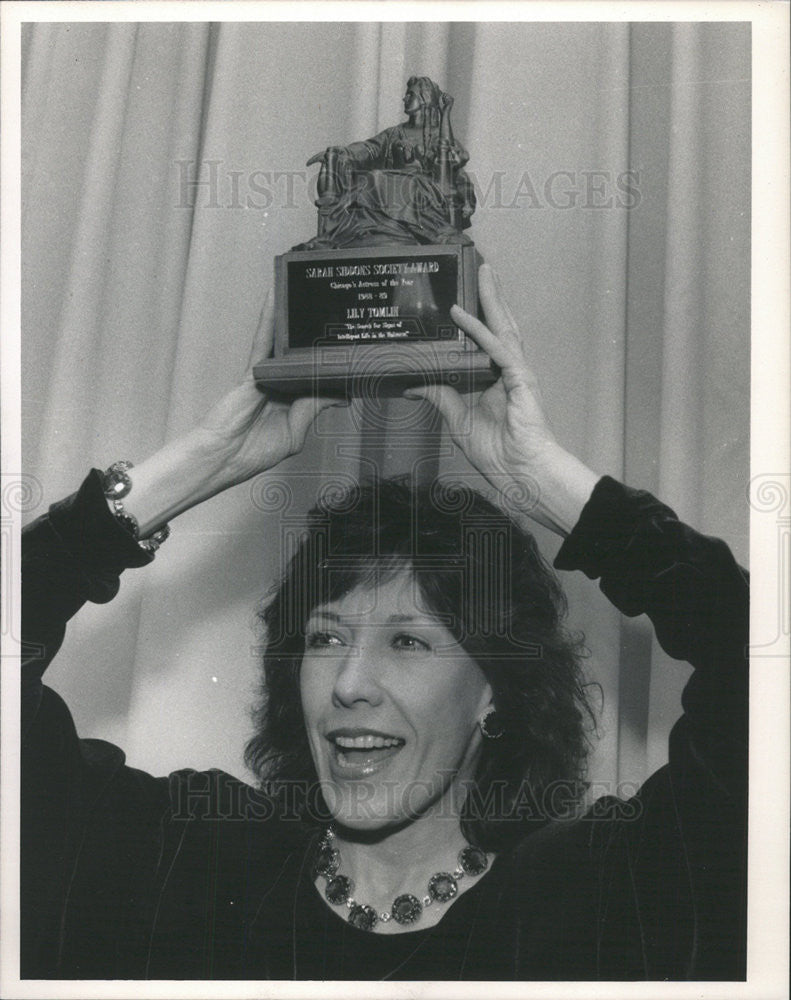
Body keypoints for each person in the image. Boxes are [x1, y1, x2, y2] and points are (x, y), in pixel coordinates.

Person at [21, 265, 747, 980]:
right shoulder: (178, 858)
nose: (349, 684)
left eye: (407, 641)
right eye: (326, 638)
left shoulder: (615, 897)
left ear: (497, 685)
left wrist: (540, 474)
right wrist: (206, 461)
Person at [297, 75, 476, 249]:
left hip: (426, 188)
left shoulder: (439, 133)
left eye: (410, 94)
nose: (404, 98)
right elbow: (369, 148)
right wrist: (342, 153)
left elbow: (454, 157)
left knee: (376, 179)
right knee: (367, 181)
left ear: (424, 99)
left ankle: (419, 230)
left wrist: (445, 115)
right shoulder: (394, 133)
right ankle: (347, 233)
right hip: (395, 182)